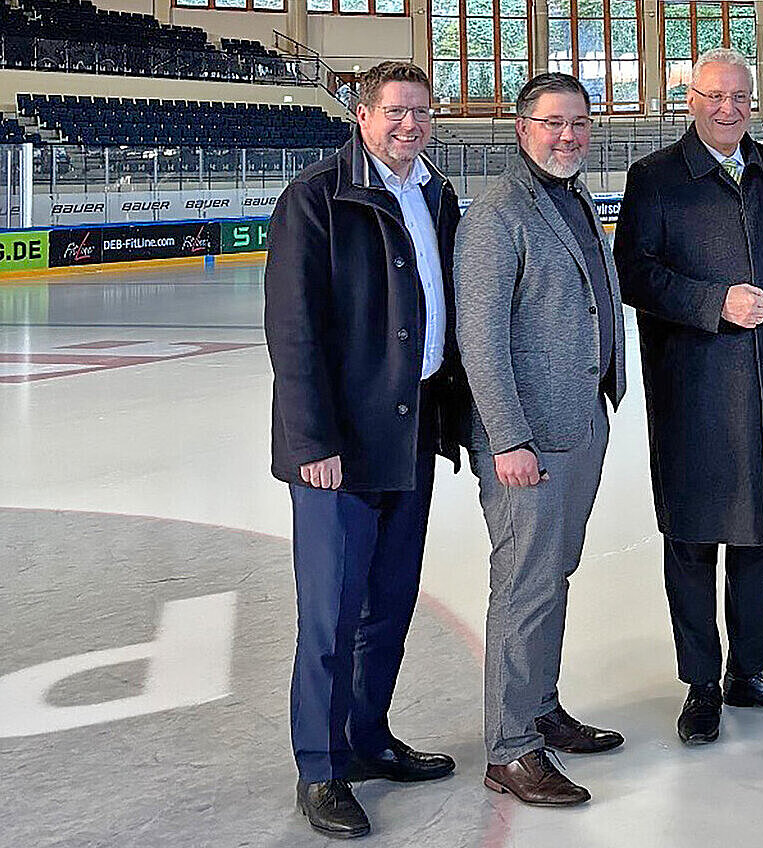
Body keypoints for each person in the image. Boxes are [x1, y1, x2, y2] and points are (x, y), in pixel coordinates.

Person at [264, 61, 471, 838]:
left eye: (421, 112)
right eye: (395, 111)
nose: (410, 125)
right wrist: (312, 440)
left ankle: (367, 737)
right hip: (339, 447)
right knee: (331, 614)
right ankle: (321, 769)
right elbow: (293, 329)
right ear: (361, 115)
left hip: (410, 430)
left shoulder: (436, 194)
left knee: (387, 603)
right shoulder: (316, 196)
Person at [614, 47, 763, 746]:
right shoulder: (654, 178)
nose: (728, 108)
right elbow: (635, 275)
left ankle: (752, 671)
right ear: (691, 101)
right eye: (714, 96)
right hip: (693, 387)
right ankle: (702, 682)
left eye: (739, 97)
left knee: (762, 528)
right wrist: (715, 303)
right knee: (692, 537)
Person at [454, 72, 629, 806]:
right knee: (524, 585)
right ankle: (510, 748)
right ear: (522, 128)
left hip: (579, 420)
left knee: (553, 575)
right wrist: (508, 439)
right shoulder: (498, 214)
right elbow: (480, 338)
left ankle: (539, 708)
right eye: (553, 123)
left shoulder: (573, 194)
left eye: (578, 122)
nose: (568, 136)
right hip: (526, 440)